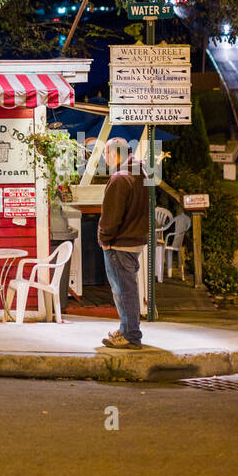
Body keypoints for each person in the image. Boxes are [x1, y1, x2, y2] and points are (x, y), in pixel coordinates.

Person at [98, 141, 149, 349]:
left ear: (112, 153)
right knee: (127, 288)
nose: (104, 159)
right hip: (134, 240)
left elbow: (112, 216)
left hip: (120, 243)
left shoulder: (120, 178)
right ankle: (126, 328)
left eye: (104, 154)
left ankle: (130, 335)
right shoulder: (141, 173)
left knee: (123, 291)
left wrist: (104, 239)